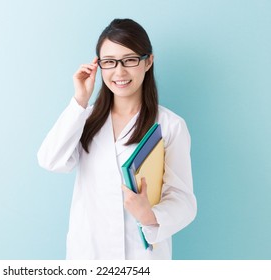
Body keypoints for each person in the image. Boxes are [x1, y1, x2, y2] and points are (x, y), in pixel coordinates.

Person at [37, 18, 197, 260]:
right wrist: (79, 100)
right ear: (99, 66)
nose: (119, 72)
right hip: (89, 255)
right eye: (109, 62)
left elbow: (184, 201)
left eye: (130, 60)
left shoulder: (170, 125)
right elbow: (51, 160)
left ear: (148, 61)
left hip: (142, 258)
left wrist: (150, 216)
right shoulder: (85, 118)